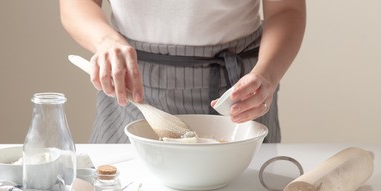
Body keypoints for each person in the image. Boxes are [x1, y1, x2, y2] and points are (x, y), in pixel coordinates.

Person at [59, 0, 306, 143]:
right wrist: (105, 41)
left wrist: (266, 75)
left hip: (239, 90)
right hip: (133, 87)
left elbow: (287, 9)